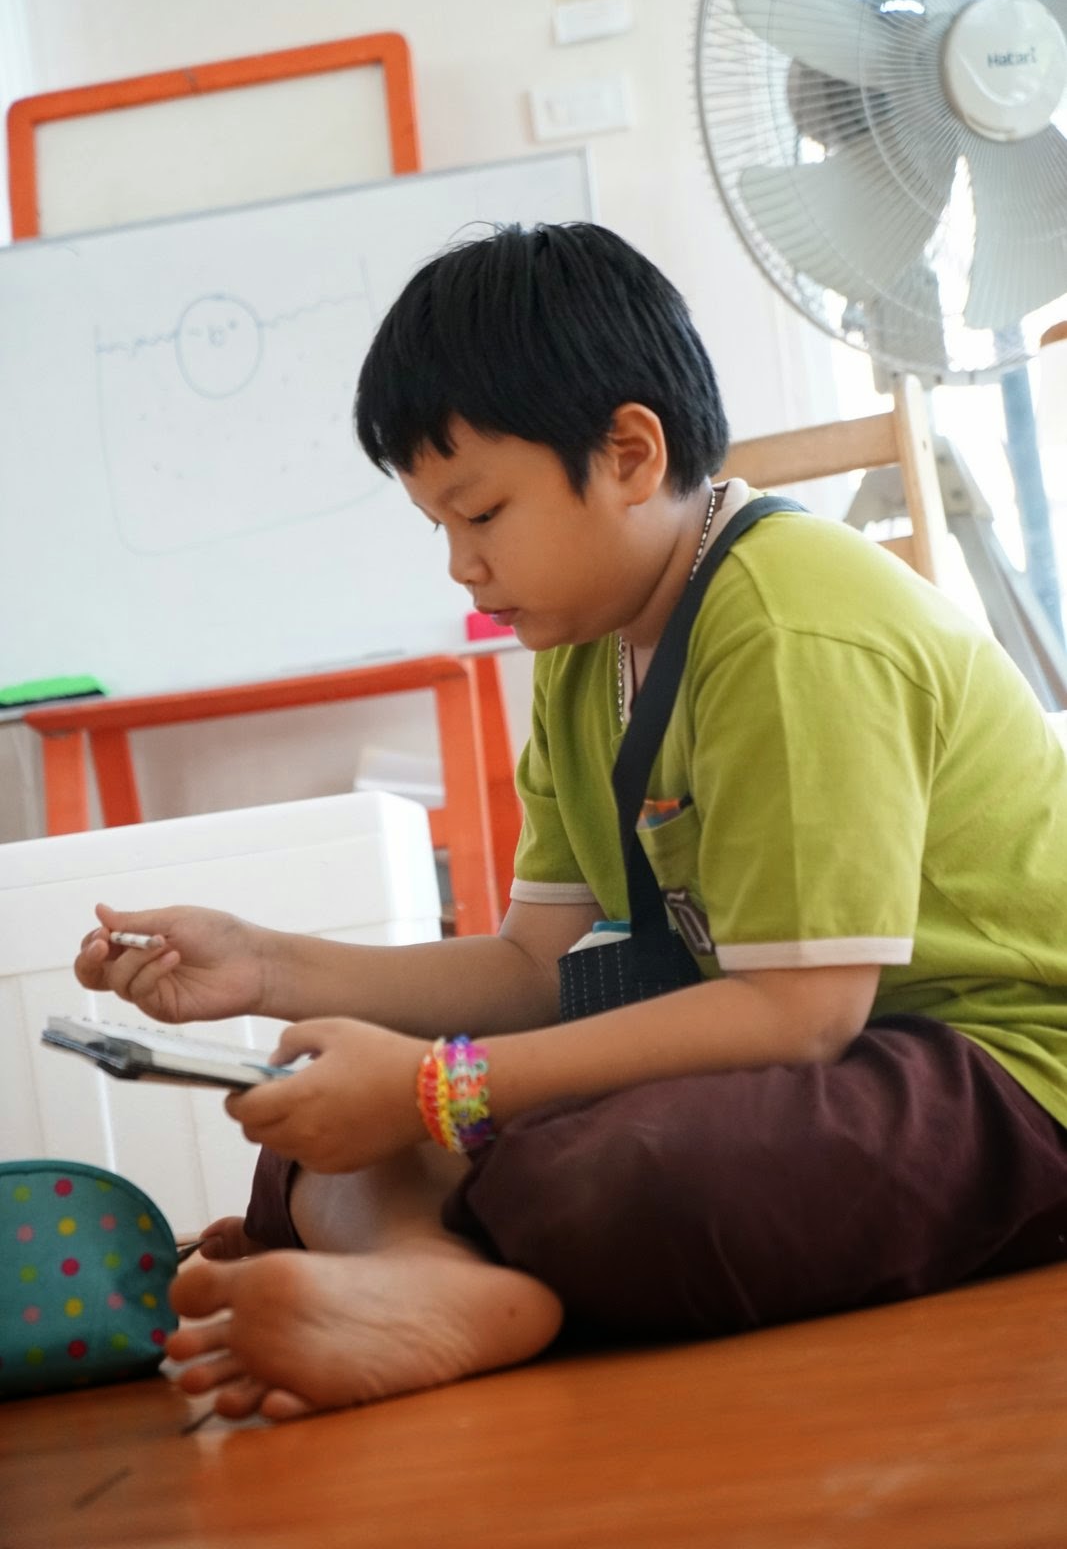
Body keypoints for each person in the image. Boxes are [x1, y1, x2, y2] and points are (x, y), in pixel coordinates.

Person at [75, 223, 1067, 1424]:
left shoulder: (786, 622)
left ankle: (416, 1259)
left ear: (630, 455)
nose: (461, 565)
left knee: (608, 1175)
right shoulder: (582, 650)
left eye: (483, 513)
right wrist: (267, 965)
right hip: (804, 1053)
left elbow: (800, 1014)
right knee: (318, 1114)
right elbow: (531, 970)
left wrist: (435, 1092)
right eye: (440, 527)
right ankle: (434, 1275)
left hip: (997, 1061)